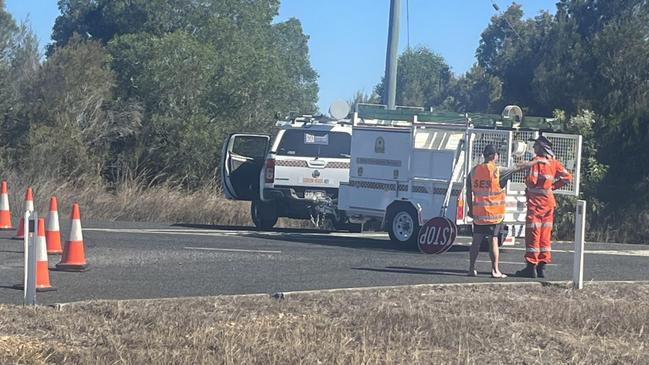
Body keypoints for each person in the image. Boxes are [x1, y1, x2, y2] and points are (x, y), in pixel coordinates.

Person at [466, 144, 543, 278]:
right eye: (497, 155)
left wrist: (470, 209)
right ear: (492, 156)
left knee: (476, 241)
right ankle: (495, 270)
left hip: (479, 214)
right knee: (493, 240)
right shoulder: (497, 171)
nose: (498, 157)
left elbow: (468, 191)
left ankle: (471, 268)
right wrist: (536, 161)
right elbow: (518, 167)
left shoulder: (474, 171)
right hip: (494, 215)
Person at [515, 136, 573, 278]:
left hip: (536, 204)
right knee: (545, 235)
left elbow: (531, 181)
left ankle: (531, 266)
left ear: (540, 147)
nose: (533, 147)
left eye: (535, 145)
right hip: (548, 203)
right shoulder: (553, 163)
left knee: (533, 234)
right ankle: (542, 266)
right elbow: (567, 177)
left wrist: (525, 176)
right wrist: (553, 186)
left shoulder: (535, 163)